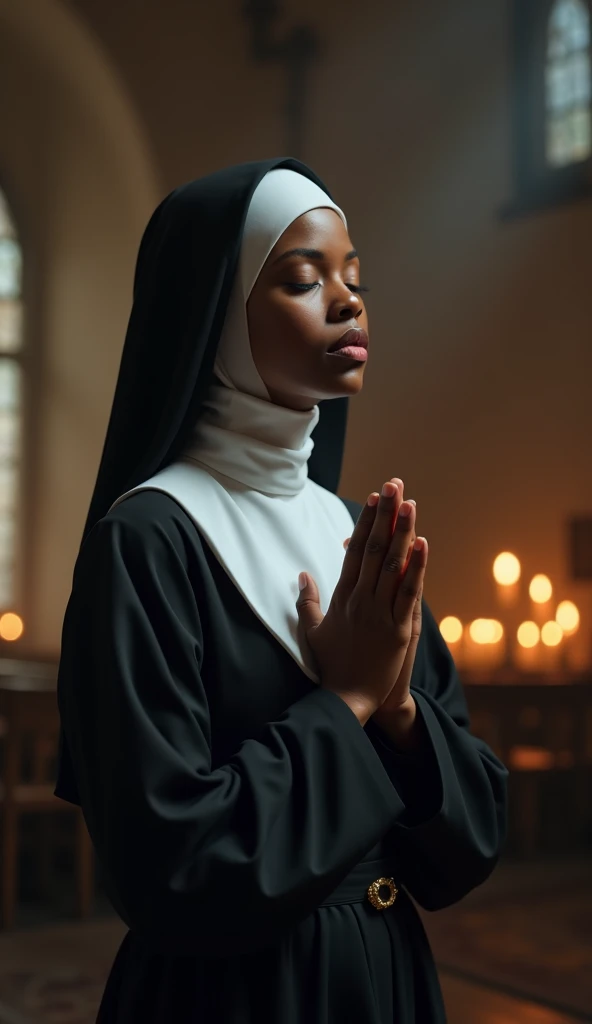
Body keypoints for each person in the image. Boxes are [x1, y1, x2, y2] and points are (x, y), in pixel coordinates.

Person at [54, 158, 508, 1023]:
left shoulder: (355, 533)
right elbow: (170, 869)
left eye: (354, 278)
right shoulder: (149, 539)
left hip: (387, 981)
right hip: (228, 996)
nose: (349, 302)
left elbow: (469, 845)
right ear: (216, 317)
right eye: (304, 280)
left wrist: (402, 713)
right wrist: (345, 701)